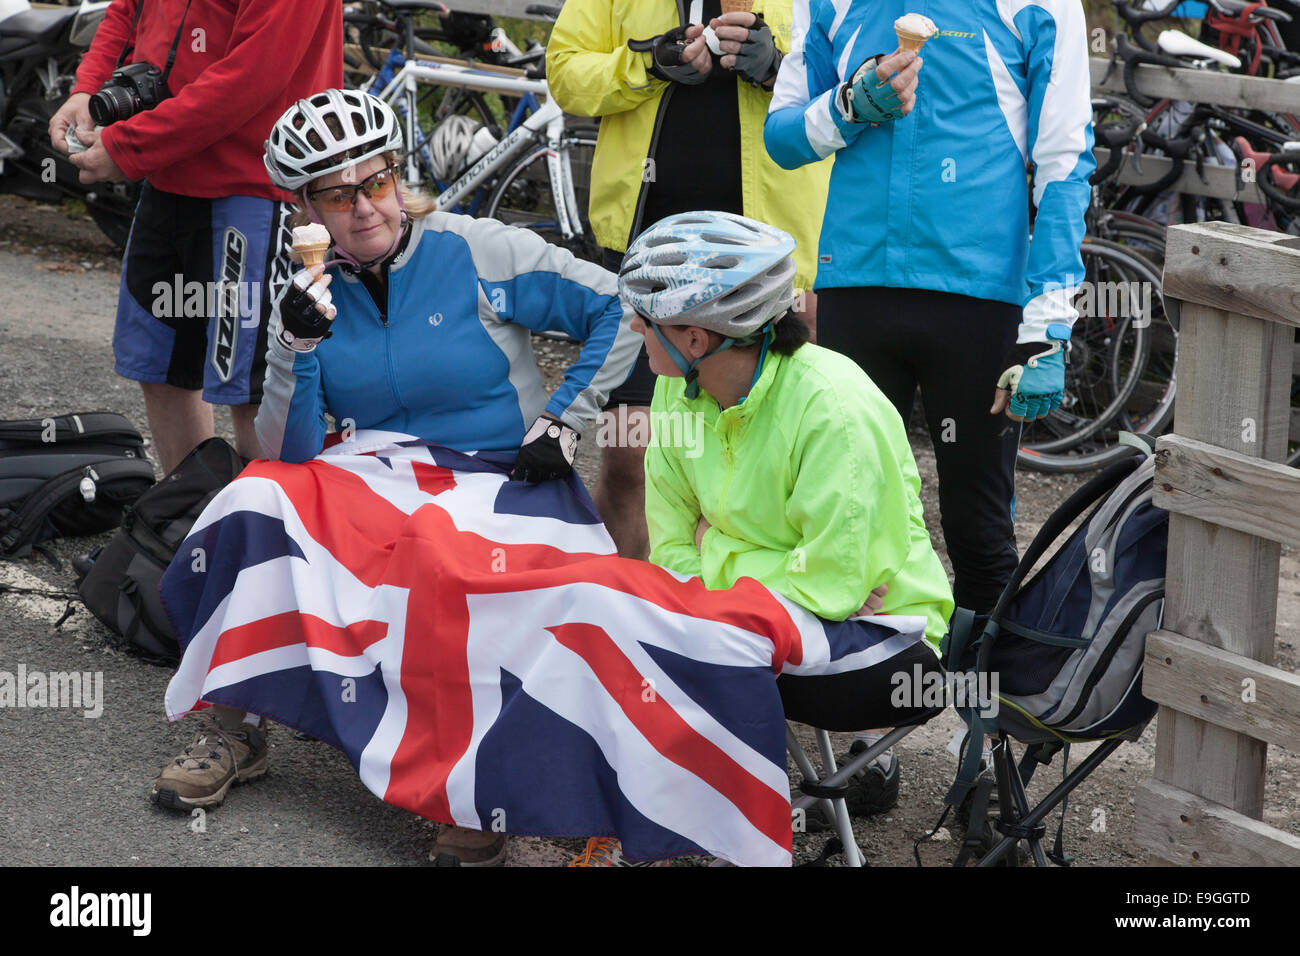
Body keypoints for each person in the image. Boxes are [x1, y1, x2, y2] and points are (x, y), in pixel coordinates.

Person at [148, 89, 641, 868]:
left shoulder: (478, 248)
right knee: (252, 495)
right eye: (337, 195)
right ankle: (234, 719)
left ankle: (480, 793)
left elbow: (620, 305)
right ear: (305, 208)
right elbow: (287, 450)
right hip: (372, 473)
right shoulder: (307, 291)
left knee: (450, 565)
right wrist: (295, 350)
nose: (365, 209)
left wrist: (567, 418)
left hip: (498, 473)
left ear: (398, 177)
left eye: (375, 182)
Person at [568, 211, 954, 866]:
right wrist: (725, 563)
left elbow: (829, 588)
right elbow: (668, 544)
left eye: (645, 315)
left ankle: (714, 837)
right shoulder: (677, 388)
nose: (634, 326)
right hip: (766, 617)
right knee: (606, 613)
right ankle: (662, 824)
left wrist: (712, 546)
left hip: (882, 639)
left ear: (696, 337)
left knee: (673, 645)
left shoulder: (832, 409)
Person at [764, 2, 1095, 617]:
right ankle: (850, 699)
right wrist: (847, 107)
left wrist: (1050, 323)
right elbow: (781, 139)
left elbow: (1065, 161)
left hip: (978, 297)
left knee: (978, 531)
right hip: (856, 286)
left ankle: (987, 707)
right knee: (841, 520)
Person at [546, 0, 832, 561]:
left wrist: (777, 68)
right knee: (632, 457)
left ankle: (747, 626)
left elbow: (856, 91)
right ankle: (626, 623)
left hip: (768, 261)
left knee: (770, 467)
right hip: (644, 254)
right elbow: (565, 74)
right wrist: (646, 65)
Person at [48, 0, 343, 476]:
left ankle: (261, 540)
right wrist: (87, 88)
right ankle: (187, 528)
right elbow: (128, 9)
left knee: (254, 390)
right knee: (164, 371)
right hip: (167, 177)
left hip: (252, 185)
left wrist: (130, 147)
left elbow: (252, 75)